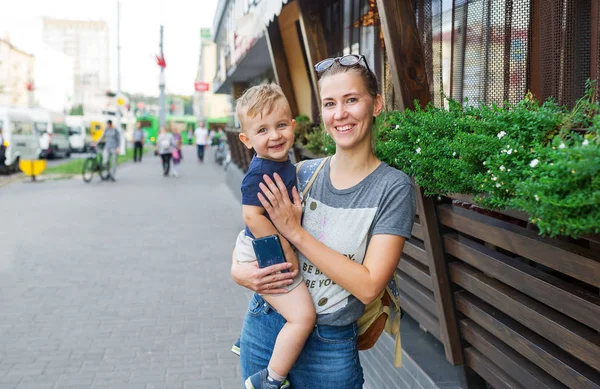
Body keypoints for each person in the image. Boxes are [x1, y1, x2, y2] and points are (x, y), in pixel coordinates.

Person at [231, 54, 416, 388]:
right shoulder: (301, 173)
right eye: (330, 103)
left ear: (376, 104)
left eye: (351, 100)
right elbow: (249, 233)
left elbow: (369, 284)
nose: (340, 113)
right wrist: (240, 273)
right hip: (265, 328)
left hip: (329, 348)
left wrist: (295, 233)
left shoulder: (392, 187)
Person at [234, 84, 315, 389]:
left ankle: (248, 338)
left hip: (262, 243)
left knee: (288, 303)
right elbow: (251, 216)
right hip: (264, 246)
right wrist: (287, 251)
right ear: (247, 139)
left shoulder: (280, 164)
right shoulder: (260, 172)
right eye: (263, 130)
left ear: (293, 125)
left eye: (281, 125)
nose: (275, 136)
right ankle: (270, 379)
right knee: (303, 317)